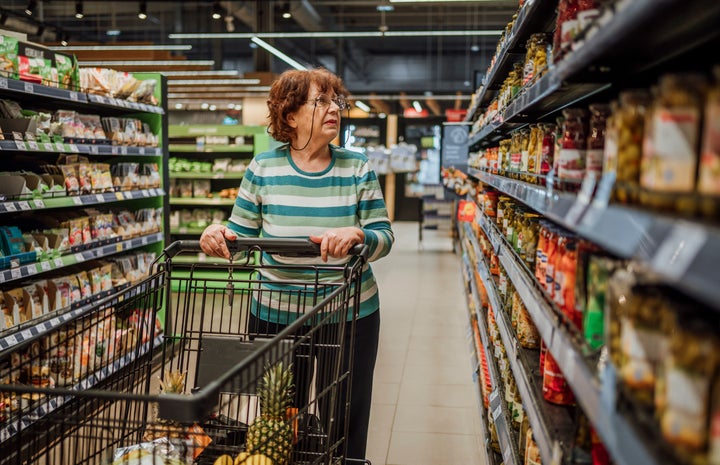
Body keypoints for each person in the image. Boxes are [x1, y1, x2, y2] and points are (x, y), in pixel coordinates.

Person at [199, 67, 394, 460]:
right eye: (320, 101)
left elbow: (383, 237)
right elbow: (238, 237)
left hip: (350, 316)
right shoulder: (262, 168)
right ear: (290, 116)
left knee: (345, 419)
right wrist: (217, 236)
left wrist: (358, 236)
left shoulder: (357, 167)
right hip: (277, 314)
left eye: (336, 100)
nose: (333, 109)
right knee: (277, 417)